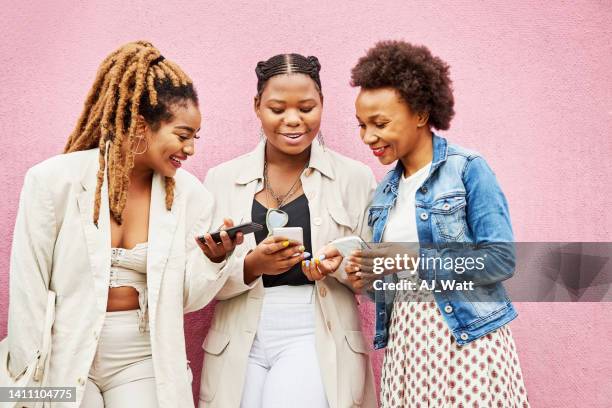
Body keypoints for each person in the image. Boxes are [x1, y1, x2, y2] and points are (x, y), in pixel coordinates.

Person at [5, 41, 241, 407]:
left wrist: (213, 261)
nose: (191, 149)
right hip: (62, 351)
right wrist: (27, 379)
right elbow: (28, 286)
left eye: (196, 137)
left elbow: (186, 300)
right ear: (140, 125)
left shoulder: (191, 195)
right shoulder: (53, 181)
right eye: (182, 135)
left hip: (143, 357)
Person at [346, 40, 530, 407]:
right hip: (408, 347)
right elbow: (394, 285)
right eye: (362, 125)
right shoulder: (384, 193)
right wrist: (367, 279)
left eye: (380, 123)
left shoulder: (467, 169)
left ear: (421, 113)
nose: (368, 137)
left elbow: (501, 261)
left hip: (466, 342)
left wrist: (411, 256)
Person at [199, 53, 377, 408]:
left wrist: (338, 266)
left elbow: (374, 280)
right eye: (277, 109)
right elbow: (198, 285)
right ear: (257, 106)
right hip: (237, 338)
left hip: (314, 332)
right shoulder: (220, 179)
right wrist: (251, 266)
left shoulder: (354, 178)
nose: (293, 120)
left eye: (307, 108)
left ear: (323, 104)